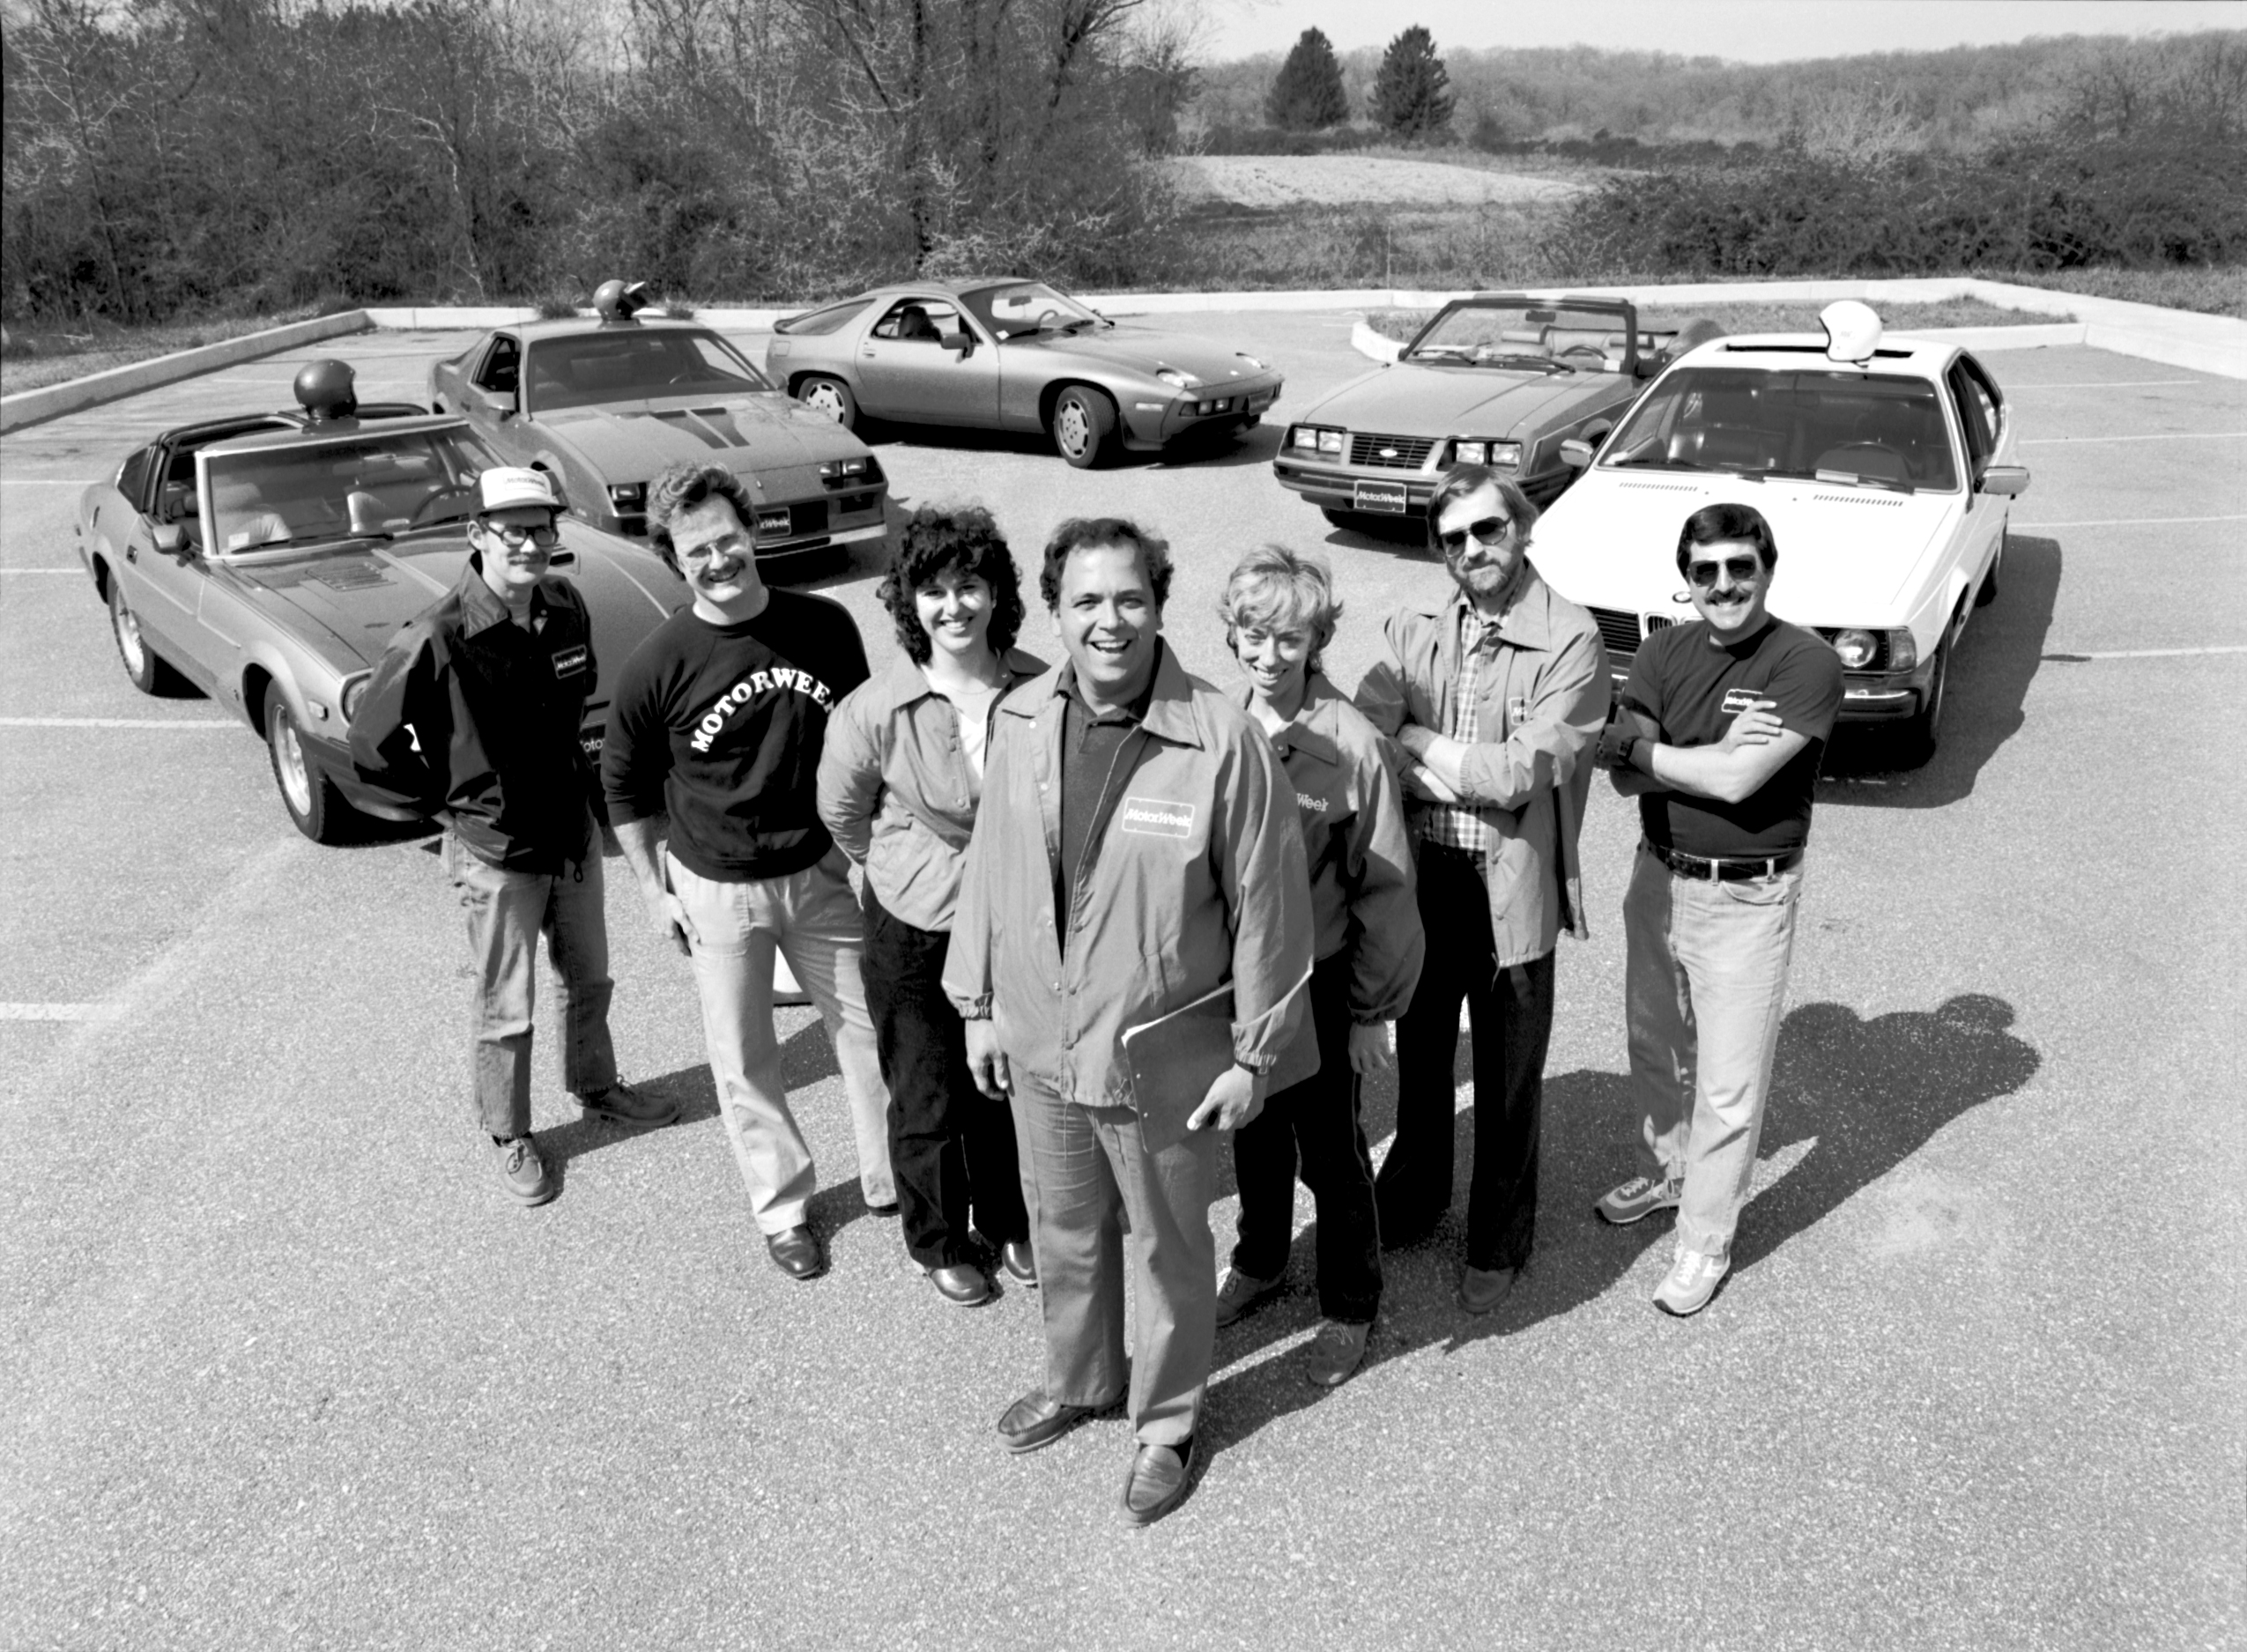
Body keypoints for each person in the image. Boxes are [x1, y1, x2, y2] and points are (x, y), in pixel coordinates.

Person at [944, 516, 1313, 1527]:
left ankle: (1168, 1421)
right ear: (1055, 614)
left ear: (1159, 603)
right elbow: (990, 867)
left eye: (1130, 599)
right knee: (1062, 1226)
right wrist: (977, 1004)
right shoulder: (1021, 718)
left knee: (1166, 1247)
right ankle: (1083, 1379)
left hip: (1157, 1051)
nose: (1109, 622)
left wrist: (1255, 1054)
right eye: (1086, 603)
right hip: (1038, 1035)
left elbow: (1270, 906)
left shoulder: (1220, 739)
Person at [351, 466, 677, 1207]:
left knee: (590, 976)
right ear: (478, 535)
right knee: (507, 1004)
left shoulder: (564, 605)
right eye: (515, 530)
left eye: (543, 528)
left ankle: (597, 1085)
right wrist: (443, 810)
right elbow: (372, 744)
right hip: (497, 852)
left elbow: (574, 709)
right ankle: (509, 1132)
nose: (531, 543)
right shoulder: (438, 634)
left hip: (570, 835)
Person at [601, 460, 894, 1282]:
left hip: (818, 872)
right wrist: (653, 892)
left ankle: (891, 1178)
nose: (717, 558)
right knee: (744, 1059)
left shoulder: (825, 627)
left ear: (753, 531)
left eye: (727, 538)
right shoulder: (658, 662)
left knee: (870, 1037)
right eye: (697, 550)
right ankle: (786, 1209)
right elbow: (621, 785)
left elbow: (865, 743)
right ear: (675, 559)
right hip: (716, 888)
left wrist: (867, 845)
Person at [1353, 467, 1608, 1314]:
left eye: (1489, 529)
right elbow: (1364, 736)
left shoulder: (1571, 637)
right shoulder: (1414, 623)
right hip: (1424, 877)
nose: (1474, 549)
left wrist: (1416, 746)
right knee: (1424, 1056)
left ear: (1522, 527)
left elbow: (1518, 771)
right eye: (1455, 537)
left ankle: (1500, 1237)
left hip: (1512, 888)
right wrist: (1432, 762)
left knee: (1506, 1076)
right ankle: (1417, 1197)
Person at [1592, 501, 1843, 1316]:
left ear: (1768, 568)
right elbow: (1620, 772)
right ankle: (1673, 1174)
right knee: (1656, 1046)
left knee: (1730, 1086)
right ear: (1687, 576)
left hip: (1747, 893)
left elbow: (1738, 781)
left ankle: (1704, 1241)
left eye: (1741, 566)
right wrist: (1696, 755)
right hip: (1658, 876)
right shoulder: (1664, 648)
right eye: (1706, 570)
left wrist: (1649, 749)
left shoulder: (1804, 663)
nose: (1725, 584)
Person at [817, 507, 1044, 1308]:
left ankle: (1011, 1220)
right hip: (916, 924)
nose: (954, 606)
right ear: (909, 602)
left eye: (970, 586)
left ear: (996, 594)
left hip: (1015, 921)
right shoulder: (877, 708)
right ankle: (937, 1238)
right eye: (935, 590)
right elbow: (842, 814)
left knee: (1004, 1082)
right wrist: (893, 866)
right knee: (925, 1088)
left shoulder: (1038, 685)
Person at [1210, 545, 1422, 1389]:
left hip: (1320, 981)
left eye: (1288, 639)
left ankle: (1350, 1300)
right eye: (1254, 636)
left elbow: (1386, 888)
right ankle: (1261, 1259)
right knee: (1253, 1134)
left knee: (1330, 1149)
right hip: (1236, 985)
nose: (1269, 656)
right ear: (1232, 637)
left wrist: (1373, 1013)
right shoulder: (1219, 726)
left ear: (1316, 639)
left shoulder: (1351, 745)